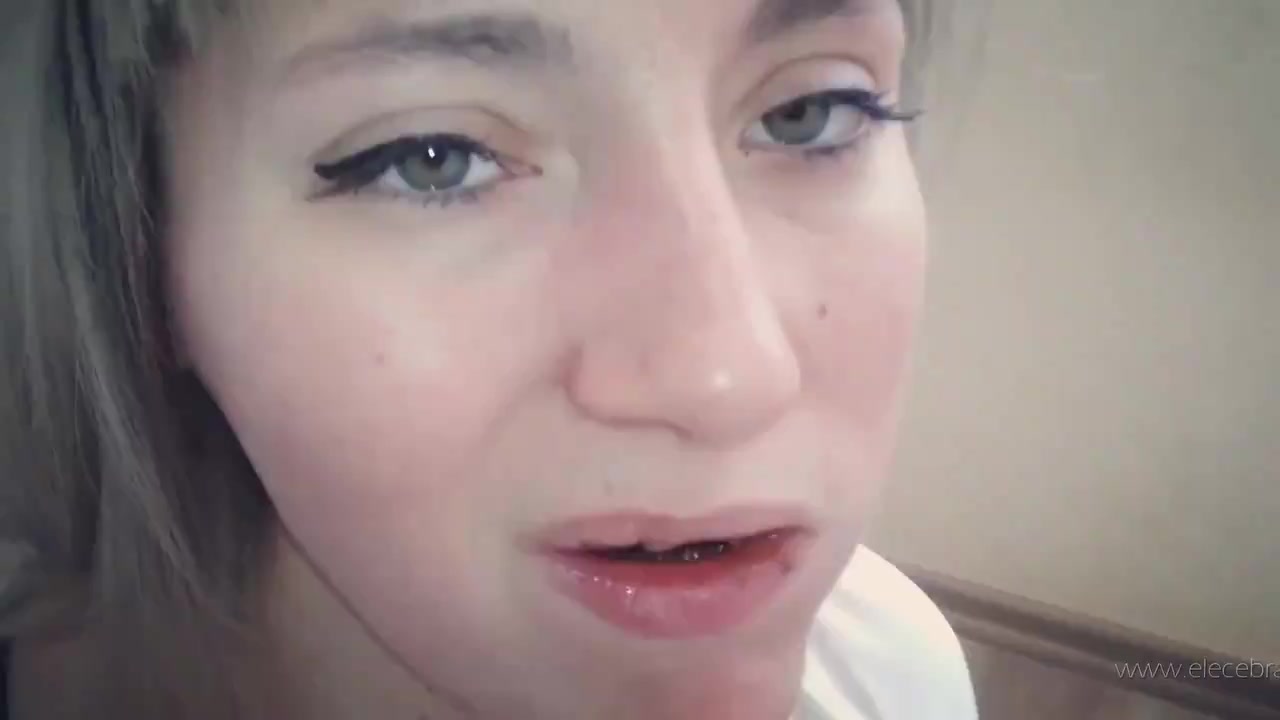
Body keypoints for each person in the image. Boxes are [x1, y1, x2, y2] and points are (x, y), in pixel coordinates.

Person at [0, 0, 979, 717]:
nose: (727, 377)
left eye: (811, 112)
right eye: (431, 158)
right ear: (135, 257)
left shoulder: (892, 671)